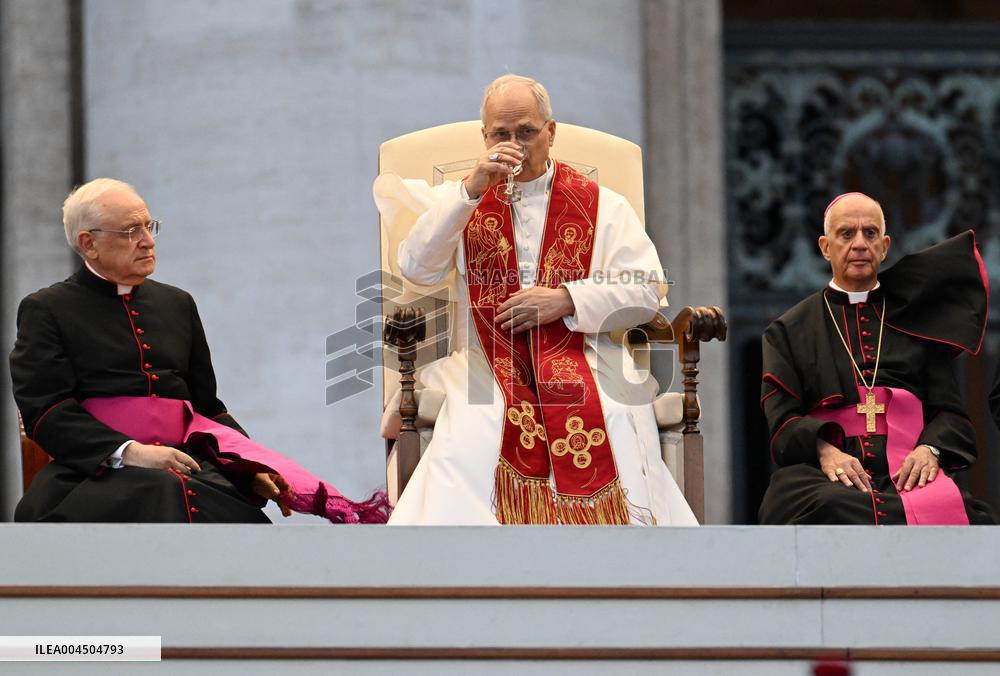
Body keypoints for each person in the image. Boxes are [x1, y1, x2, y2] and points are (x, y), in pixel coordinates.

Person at [374, 74, 696, 525]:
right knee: (476, 425)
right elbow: (415, 268)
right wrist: (470, 191)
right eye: (500, 134)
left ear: (551, 132)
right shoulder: (461, 198)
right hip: (487, 362)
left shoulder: (603, 204)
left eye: (526, 132)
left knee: (618, 416)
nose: (515, 145)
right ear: (484, 138)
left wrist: (566, 299)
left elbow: (645, 291)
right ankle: (479, 572)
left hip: (584, 355)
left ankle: (610, 560)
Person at [11, 178, 387, 523]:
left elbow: (207, 408)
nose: (148, 240)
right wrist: (131, 452)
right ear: (88, 243)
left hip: (187, 463)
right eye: (131, 231)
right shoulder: (47, 309)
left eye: (149, 226)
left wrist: (248, 468)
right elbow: (46, 409)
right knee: (164, 493)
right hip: (96, 471)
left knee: (242, 518)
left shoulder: (177, 304)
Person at [758, 192, 995, 525]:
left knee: (975, 519)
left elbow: (951, 415)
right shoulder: (788, 330)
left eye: (870, 233)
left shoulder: (917, 322)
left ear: (884, 246)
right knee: (811, 505)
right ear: (825, 247)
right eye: (846, 234)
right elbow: (781, 421)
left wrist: (930, 449)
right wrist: (826, 452)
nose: (859, 244)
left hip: (909, 473)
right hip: (829, 475)